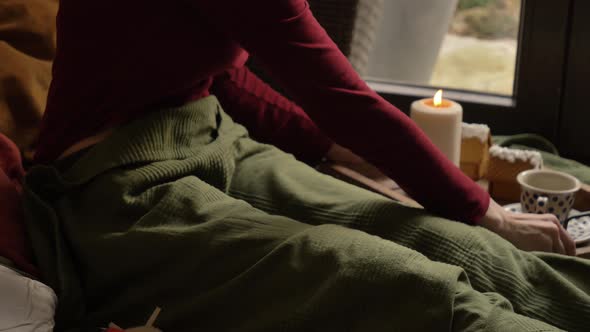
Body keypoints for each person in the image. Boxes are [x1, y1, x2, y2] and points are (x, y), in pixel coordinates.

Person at [23, 1, 588, 331]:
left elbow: (215, 69)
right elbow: (338, 93)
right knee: (399, 280)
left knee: (454, 243)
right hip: (112, 188)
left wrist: (330, 146)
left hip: (213, 135)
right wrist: (487, 208)